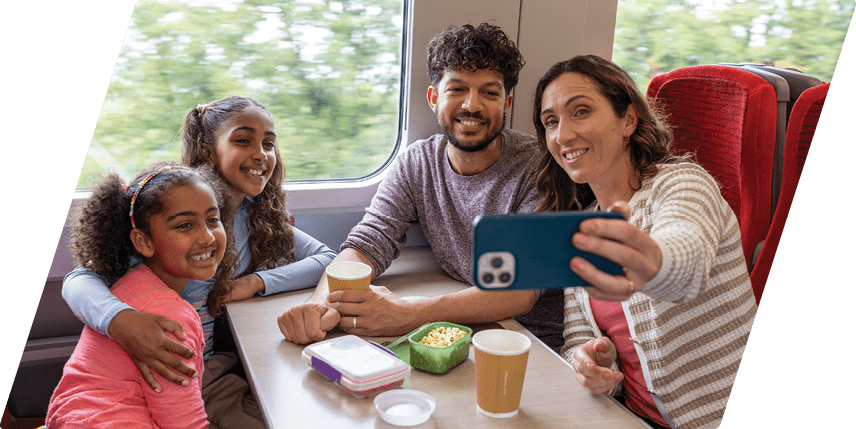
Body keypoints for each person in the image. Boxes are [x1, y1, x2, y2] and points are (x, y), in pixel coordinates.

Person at [278, 22, 566, 351]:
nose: (472, 105)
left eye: (489, 92)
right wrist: (320, 304)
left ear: (506, 103)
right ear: (434, 98)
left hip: (536, 342)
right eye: (457, 89)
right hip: (468, 333)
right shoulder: (417, 164)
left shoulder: (539, 167)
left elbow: (520, 290)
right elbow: (369, 242)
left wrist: (410, 313)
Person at [61, 96, 337, 428]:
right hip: (171, 366)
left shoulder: (255, 215)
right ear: (208, 150)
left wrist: (254, 283)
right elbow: (78, 280)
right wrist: (122, 321)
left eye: (269, 143)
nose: (261, 153)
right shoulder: (170, 214)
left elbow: (327, 259)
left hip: (208, 361)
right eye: (243, 140)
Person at [532, 55, 757, 428]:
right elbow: (578, 337)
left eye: (581, 112)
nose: (562, 135)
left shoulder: (683, 184)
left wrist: (655, 264)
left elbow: (688, 259)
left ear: (629, 120)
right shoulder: (581, 226)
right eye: (550, 122)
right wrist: (591, 363)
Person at [47, 163, 235, 428]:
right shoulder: (170, 318)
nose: (207, 237)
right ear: (144, 242)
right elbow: (184, 424)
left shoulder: (130, 282)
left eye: (212, 219)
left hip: (71, 415)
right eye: (185, 225)